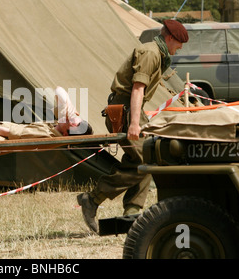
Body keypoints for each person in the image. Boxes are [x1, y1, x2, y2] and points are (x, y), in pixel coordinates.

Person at [77, 19, 189, 233]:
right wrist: (135, 123)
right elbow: (138, 89)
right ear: (170, 38)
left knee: (149, 155)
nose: (180, 49)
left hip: (129, 109)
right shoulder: (152, 53)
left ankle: (132, 212)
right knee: (145, 159)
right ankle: (92, 199)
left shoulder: (158, 53)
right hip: (125, 111)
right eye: (179, 43)